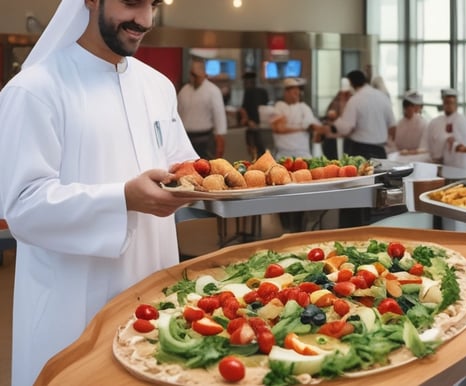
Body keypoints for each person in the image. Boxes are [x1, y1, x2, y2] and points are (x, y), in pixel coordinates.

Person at [0, 1, 200, 385]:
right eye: (131, 2)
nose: (144, 20)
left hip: (155, 288)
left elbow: (183, 165)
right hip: (72, 304)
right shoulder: (34, 89)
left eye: (153, 5)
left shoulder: (157, 86)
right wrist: (123, 197)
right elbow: (23, 207)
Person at [323, 69, 396, 159]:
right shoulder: (383, 97)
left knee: (362, 173)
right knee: (380, 172)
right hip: (380, 149)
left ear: (351, 83)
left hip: (361, 150)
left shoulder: (355, 100)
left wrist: (335, 118)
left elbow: (346, 128)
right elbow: (392, 125)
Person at [177, 57, 228, 159]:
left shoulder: (213, 91)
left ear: (204, 74)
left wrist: (219, 148)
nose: (194, 78)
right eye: (192, 75)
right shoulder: (184, 91)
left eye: (196, 75)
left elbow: (220, 120)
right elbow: (177, 116)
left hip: (206, 140)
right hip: (186, 139)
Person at [424, 88, 466, 171]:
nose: (448, 105)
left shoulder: (461, 121)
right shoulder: (438, 121)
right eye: (446, 103)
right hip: (446, 164)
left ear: (456, 104)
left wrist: (453, 143)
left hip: (461, 164)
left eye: (451, 103)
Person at [271, 78, 325, 160]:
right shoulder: (280, 106)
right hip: (284, 155)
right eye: (294, 91)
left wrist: (317, 130)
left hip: (303, 154)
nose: (297, 93)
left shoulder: (304, 108)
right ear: (286, 92)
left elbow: (314, 127)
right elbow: (279, 128)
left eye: (298, 91)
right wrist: (302, 128)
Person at [318, 77, 352, 159]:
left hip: (345, 139)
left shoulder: (351, 100)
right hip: (332, 138)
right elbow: (329, 118)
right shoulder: (337, 101)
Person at [241, 71, 270, 159]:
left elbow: (244, 109)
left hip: (253, 125)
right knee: (262, 149)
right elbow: (266, 107)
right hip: (262, 125)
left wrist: (248, 120)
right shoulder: (263, 91)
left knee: (254, 149)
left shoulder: (248, 92)